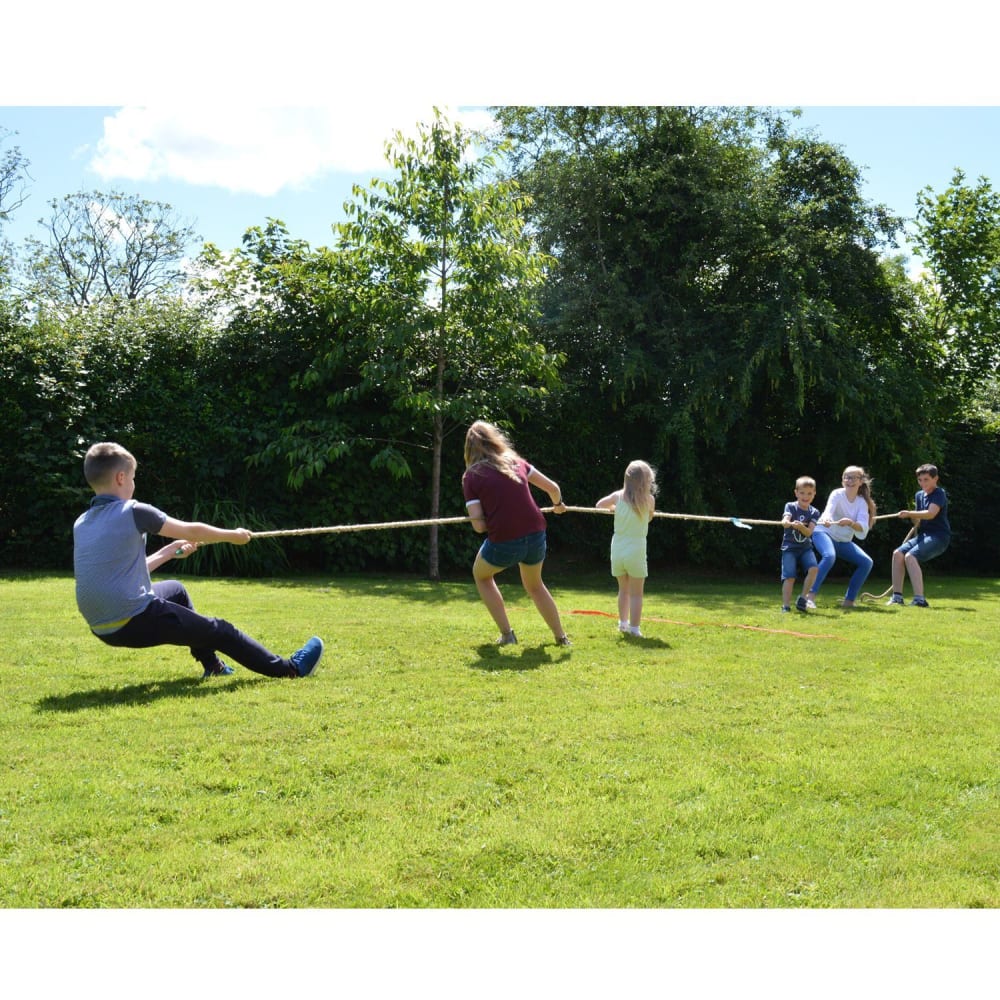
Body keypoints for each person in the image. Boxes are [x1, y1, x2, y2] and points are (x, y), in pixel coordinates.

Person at [73, 442, 324, 679]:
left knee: (177, 590)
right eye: (133, 477)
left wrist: (169, 552)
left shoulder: (82, 523)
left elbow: (121, 573)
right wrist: (233, 536)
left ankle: (212, 666)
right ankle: (290, 669)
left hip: (102, 628)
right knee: (222, 630)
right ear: (121, 478)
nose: (133, 484)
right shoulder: (134, 511)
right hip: (133, 620)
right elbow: (191, 530)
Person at [461, 420, 571, 647]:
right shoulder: (517, 463)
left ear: (469, 449)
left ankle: (507, 635)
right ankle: (561, 637)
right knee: (535, 585)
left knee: (481, 575)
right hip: (536, 535)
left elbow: (479, 526)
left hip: (505, 540)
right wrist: (558, 504)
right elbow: (553, 489)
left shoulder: (471, 476)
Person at [595, 460, 658, 637]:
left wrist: (614, 509)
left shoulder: (617, 496)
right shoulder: (649, 500)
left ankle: (623, 624)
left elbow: (599, 505)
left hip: (618, 549)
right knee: (637, 594)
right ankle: (635, 629)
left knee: (623, 589)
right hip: (636, 550)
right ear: (646, 482)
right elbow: (649, 519)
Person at [803, 465, 876, 610]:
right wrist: (828, 519)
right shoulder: (837, 494)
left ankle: (849, 601)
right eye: (846, 477)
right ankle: (808, 597)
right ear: (842, 480)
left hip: (842, 541)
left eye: (853, 477)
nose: (849, 480)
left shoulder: (862, 502)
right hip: (823, 532)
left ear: (860, 481)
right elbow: (829, 510)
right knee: (829, 556)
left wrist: (851, 523)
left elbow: (862, 527)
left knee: (866, 562)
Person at [886, 463, 951, 607]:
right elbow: (919, 521)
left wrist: (909, 513)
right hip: (924, 535)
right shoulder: (919, 495)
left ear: (935, 479)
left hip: (939, 537)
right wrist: (912, 515)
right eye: (920, 480)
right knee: (897, 554)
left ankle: (920, 600)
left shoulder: (939, 493)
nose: (922, 483)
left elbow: (931, 513)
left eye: (926, 479)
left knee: (911, 556)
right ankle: (897, 597)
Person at [779, 476, 820, 614]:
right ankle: (786, 606)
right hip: (789, 548)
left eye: (809, 493)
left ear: (814, 494)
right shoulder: (790, 506)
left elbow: (809, 533)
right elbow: (786, 519)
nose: (805, 496)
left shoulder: (814, 512)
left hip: (805, 548)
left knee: (814, 569)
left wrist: (801, 528)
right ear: (796, 493)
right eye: (802, 493)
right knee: (789, 577)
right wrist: (786, 521)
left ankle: (803, 598)